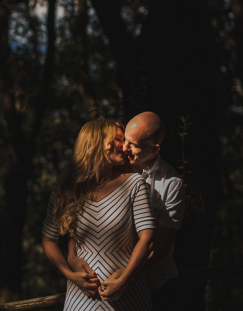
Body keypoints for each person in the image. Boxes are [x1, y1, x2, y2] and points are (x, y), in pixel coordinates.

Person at [68, 112, 185, 309]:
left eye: (133, 144)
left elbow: (163, 244)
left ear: (154, 149)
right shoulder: (111, 167)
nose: (124, 147)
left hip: (156, 284)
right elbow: (83, 223)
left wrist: (127, 278)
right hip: (108, 283)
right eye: (124, 140)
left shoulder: (171, 185)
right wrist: (72, 257)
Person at [42, 118, 156, 310]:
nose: (125, 146)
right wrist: (69, 274)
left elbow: (148, 240)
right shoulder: (66, 190)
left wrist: (124, 281)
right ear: (97, 142)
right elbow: (48, 239)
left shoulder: (134, 184)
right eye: (120, 139)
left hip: (128, 298)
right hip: (80, 301)